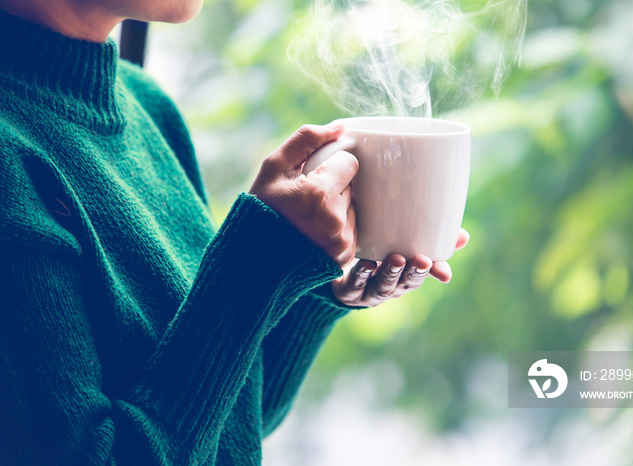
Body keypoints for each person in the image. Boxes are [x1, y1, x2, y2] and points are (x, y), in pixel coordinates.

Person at [0, 0, 469, 464]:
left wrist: (313, 292)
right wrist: (255, 268)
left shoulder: (146, 105)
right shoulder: (10, 161)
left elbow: (227, 430)